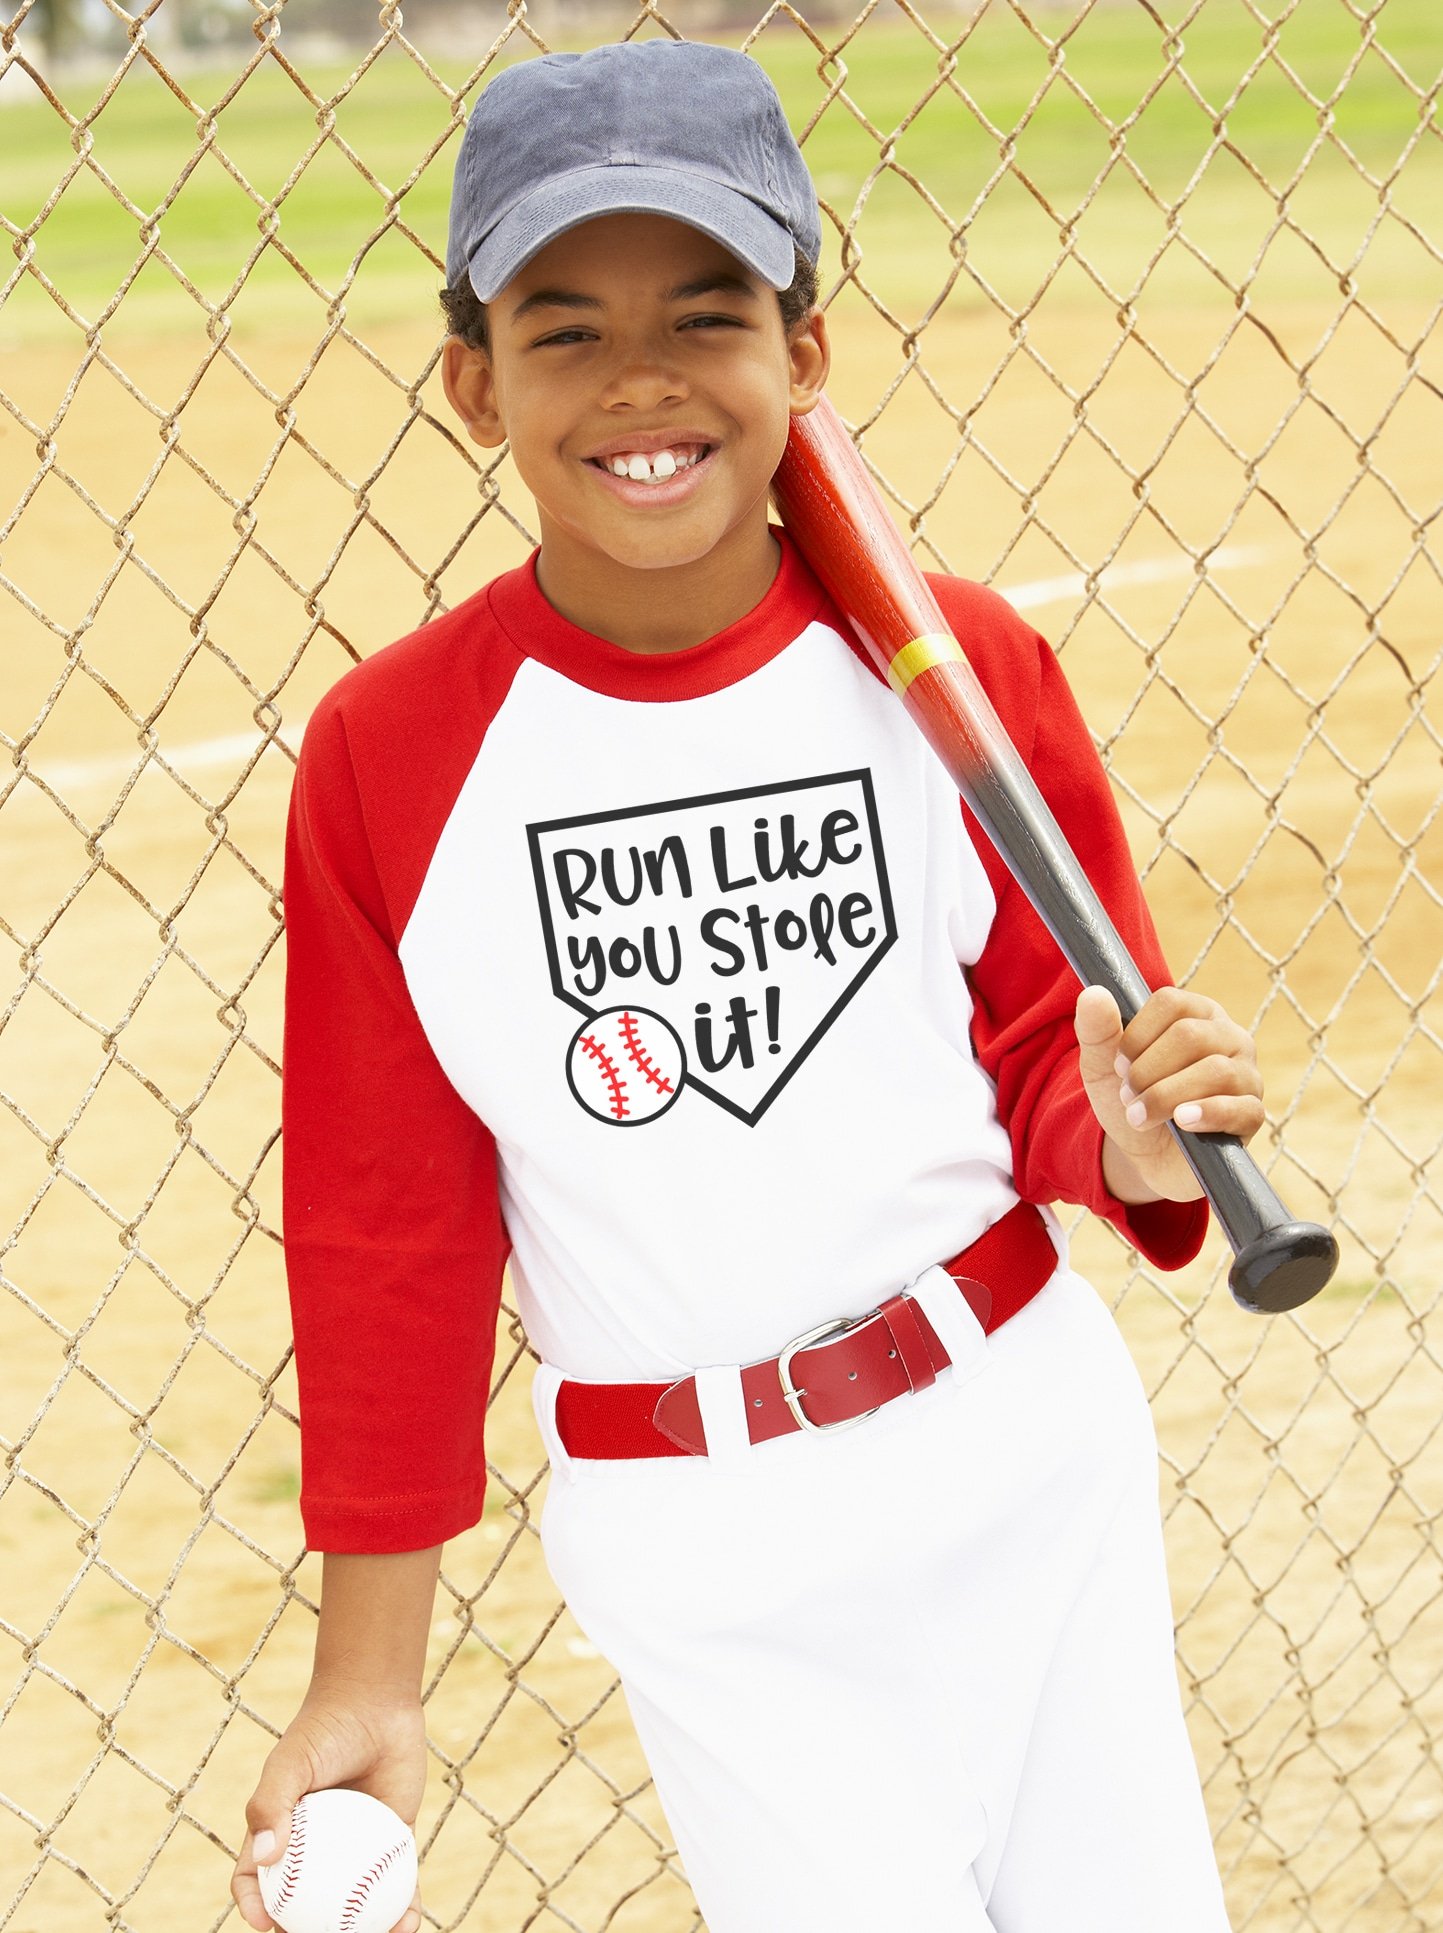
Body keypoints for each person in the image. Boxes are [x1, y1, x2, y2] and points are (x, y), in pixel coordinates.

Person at [232, 40, 1260, 1933]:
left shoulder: (963, 671)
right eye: (564, 330)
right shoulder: (394, 757)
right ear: (473, 385)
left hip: (1020, 1436)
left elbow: (1053, 1045)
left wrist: (1134, 1137)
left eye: (708, 312)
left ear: (804, 352)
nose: (641, 378)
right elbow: (387, 1228)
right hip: (706, 1525)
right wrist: (369, 1672)